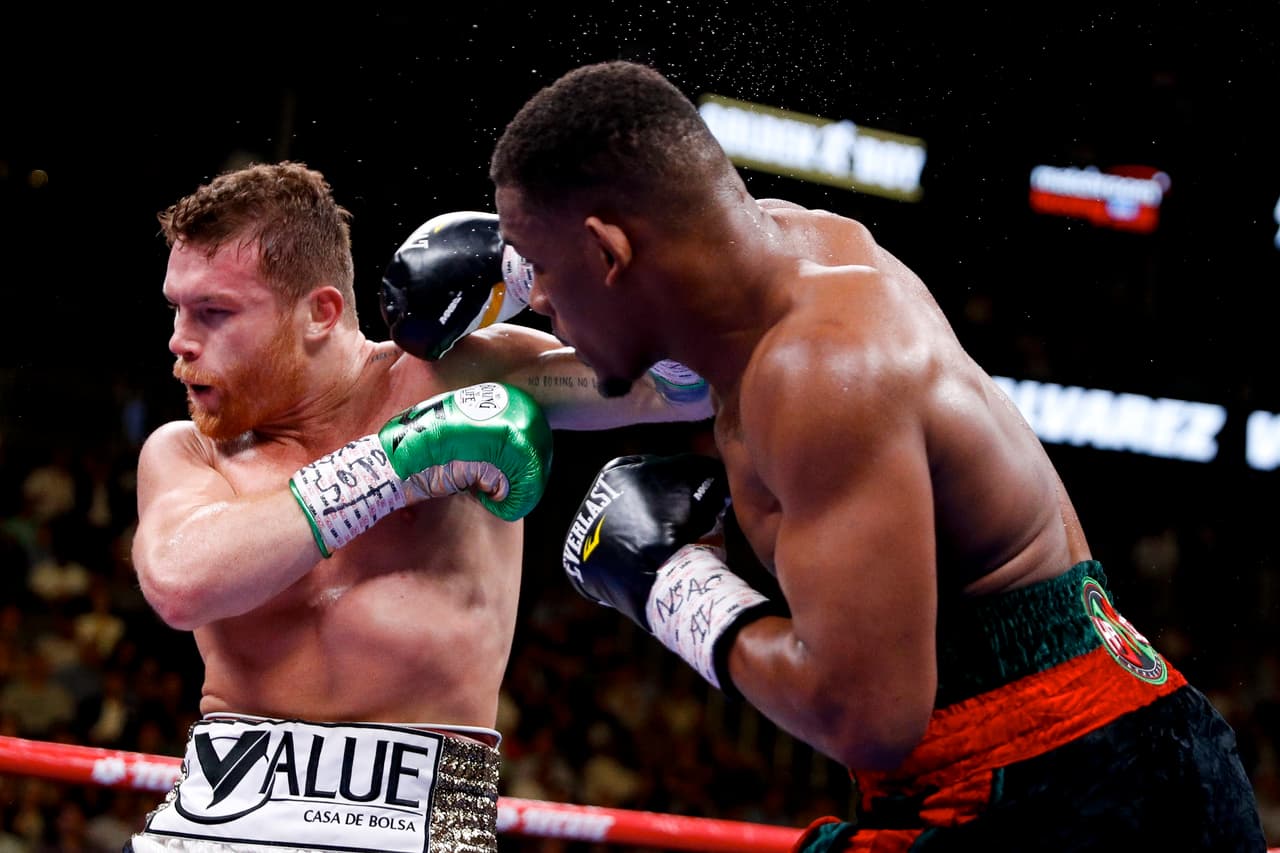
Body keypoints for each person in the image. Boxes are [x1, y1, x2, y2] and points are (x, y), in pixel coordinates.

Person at [489, 60, 1267, 851]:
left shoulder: (820, 374)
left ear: (608, 253)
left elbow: (866, 716)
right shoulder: (787, 252)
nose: (537, 300)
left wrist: (674, 587)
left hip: (1070, 790)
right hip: (1114, 746)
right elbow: (646, 346)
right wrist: (514, 268)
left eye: (540, 272)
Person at [127, 161, 711, 853]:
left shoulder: (461, 378)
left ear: (320, 313)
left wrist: (558, 276)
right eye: (177, 308)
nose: (180, 339)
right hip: (217, 818)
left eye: (214, 312)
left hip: (423, 824)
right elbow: (181, 583)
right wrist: (395, 464)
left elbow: (689, 388)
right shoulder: (190, 452)